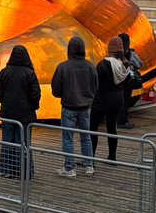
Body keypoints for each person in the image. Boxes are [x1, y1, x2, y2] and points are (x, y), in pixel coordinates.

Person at [51, 35, 98, 177]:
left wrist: (64, 95)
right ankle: (89, 165)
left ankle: (69, 168)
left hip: (68, 106)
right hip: (85, 107)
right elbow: (96, 87)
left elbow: (56, 89)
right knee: (86, 137)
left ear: (69, 49)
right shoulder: (91, 66)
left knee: (68, 138)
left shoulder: (63, 67)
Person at [0, 45, 39, 180]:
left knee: (8, 141)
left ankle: (7, 169)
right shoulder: (30, 73)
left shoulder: (4, 72)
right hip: (25, 115)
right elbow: (35, 93)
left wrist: (3, 102)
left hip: (8, 113)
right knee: (23, 142)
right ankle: (24, 171)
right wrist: (34, 107)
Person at [91, 37, 130, 163]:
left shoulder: (103, 65)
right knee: (112, 128)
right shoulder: (125, 66)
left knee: (92, 128)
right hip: (117, 101)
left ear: (109, 50)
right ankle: (112, 156)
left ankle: (90, 157)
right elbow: (126, 84)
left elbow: (95, 83)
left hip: (102, 101)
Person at [116, 32, 144, 130]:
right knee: (125, 100)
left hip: (117, 80)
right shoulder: (129, 53)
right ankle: (122, 121)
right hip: (126, 81)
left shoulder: (114, 52)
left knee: (120, 100)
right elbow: (140, 64)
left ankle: (119, 119)